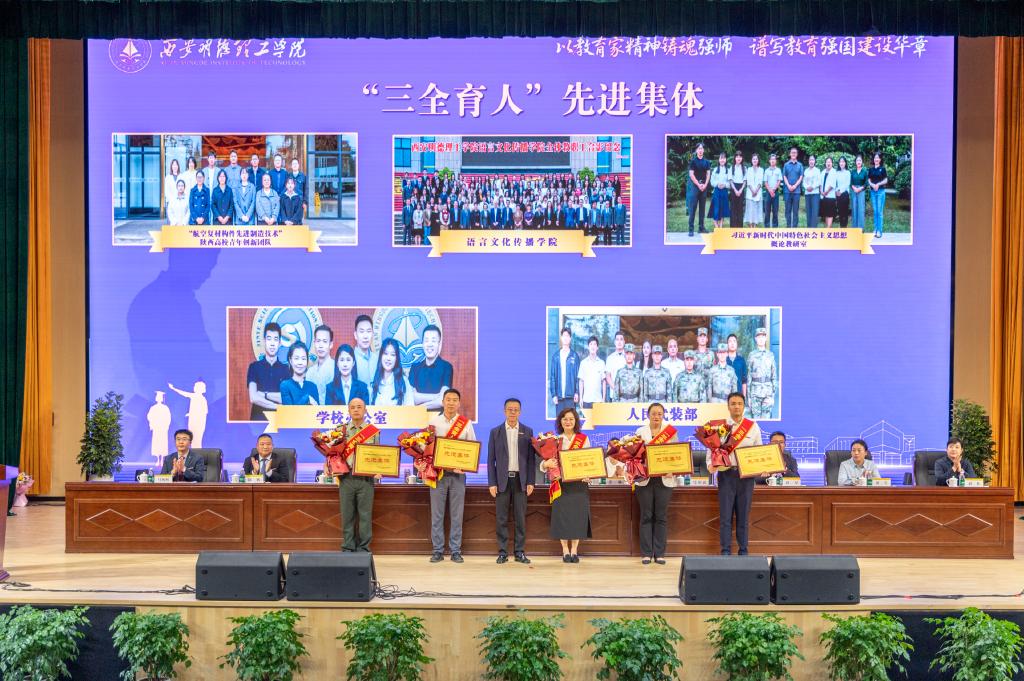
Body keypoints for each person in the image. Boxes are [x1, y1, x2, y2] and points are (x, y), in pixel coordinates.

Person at [615, 403, 677, 564]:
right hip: (644, 479)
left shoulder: (670, 433)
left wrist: (673, 470)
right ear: (648, 415)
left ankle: (660, 553)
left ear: (663, 415)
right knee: (646, 516)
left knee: (661, 517)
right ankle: (646, 553)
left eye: (659, 414)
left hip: (665, 479)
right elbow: (634, 455)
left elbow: (676, 454)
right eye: (653, 413)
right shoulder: (640, 432)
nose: (656, 416)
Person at [425, 389, 476, 563]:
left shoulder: (466, 424)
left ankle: (455, 551)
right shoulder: (433, 422)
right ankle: (437, 551)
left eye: (455, 400)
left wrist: (466, 466)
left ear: (459, 403)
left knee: (457, 515)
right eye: (448, 399)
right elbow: (426, 449)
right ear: (443, 402)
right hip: (437, 475)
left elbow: (472, 449)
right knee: (437, 515)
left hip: (458, 476)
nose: (451, 403)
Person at [709, 393, 762, 554]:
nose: (736, 406)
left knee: (743, 516)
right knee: (725, 516)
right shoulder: (720, 427)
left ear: (744, 406)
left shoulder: (752, 426)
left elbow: (759, 450)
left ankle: (743, 549)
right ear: (728, 406)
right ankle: (725, 550)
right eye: (733, 403)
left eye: (739, 403)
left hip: (746, 476)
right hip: (726, 475)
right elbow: (711, 449)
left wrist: (762, 466)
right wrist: (710, 464)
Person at [487, 397, 535, 564]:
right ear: (504, 411)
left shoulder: (528, 431)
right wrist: (492, 483)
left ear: (520, 412)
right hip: (502, 481)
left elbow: (531, 460)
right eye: (510, 409)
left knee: (520, 518)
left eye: (516, 410)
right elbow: (490, 460)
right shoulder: (495, 432)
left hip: (521, 481)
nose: (513, 412)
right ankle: (502, 552)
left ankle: (519, 552)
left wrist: (531, 481)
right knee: (501, 518)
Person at [541, 408, 592, 562]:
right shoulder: (554, 440)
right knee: (562, 517)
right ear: (560, 422)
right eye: (564, 419)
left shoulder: (583, 439)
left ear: (576, 421)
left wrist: (589, 474)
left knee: (577, 517)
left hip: (579, 484)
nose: (568, 422)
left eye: (571, 419)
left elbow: (590, 459)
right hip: (561, 484)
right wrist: (546, 464)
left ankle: (574, 550)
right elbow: (544, 463)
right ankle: (565, 550)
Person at [337, 398, 382, 552]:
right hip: (346, 478)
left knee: (365, 515)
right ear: (348, 411)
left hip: (366, 479)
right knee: (347, 515)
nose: (356, 410)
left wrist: (379, 469)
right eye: (353, 407)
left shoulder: (373, 431)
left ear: (365, 410)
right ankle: (348, 547)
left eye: (359, 407)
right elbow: (334, 454)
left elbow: (377, 453)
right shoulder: (340, 430)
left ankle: (364, 548)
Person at [247, 321, 290, 420]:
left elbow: (286, 399)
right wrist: (277, 406)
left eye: (275, 339)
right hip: (257, 420)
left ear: (280, 343)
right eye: (269, 339)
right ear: (264, 341)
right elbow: (253, 397)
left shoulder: (286, 369)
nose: (272, 343)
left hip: (279, 421)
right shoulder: (254, 367)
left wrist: (264, 395)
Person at [410, 324, 454, 411]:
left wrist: (418, 408)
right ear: (422, 344)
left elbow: (441, 401)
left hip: (438, 418)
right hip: (418, 418)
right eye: (426, 340)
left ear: (439, 344)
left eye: (433, 341)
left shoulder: (447, 367)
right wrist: (438, 396)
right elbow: (413, 398)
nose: (429, 344)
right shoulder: (415, 368)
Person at [370, 337, 413, 406]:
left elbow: (410, 408)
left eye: (392, 355)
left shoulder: (403, 381)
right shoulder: (374, 381)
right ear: (381, 356)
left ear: (396, 359)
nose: (388, 358)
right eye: (385, 353)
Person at [745, 327, 777, 419]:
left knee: (766, 420)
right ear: (755, 339)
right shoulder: (751, 355)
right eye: (759, 337)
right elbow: (749, 376)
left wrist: (773, 395)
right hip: (755, 393)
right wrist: (749, 397)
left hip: (768, 393)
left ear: (766, 338)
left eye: (763, 336)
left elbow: (774, 375)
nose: (761, 339)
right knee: (756, 421)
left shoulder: (770, 355)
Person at [549, 326, 580, 415]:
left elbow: (578, 376)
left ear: (570, 338)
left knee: (571, 420)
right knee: (560, 421)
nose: (566, 338)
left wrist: (577, 392)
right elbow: (553, 377)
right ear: (561, 338)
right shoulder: (556, 356)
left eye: (567, 336)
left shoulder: (574, 356)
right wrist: (554, 395)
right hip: (559, 397)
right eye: (564, 335)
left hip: (571, 397)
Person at [279, 342, 319, 406]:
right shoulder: (285, 385)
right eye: (296, 358)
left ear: (307, 361)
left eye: (303, 359)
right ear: (290, 361)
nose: (300, 363)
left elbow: (317, 411)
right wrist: (307, 398)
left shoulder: (313, 386)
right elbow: (289, 410)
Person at [306, 324, 335, 405]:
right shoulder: (310, 371)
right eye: (318, 341)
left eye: (325, 341)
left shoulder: (336, 369)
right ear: (314, 343)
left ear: (331, 344)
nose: (321, 346)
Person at [686, 143, 711, 236]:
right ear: (696, 150)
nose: (700, 150)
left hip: (703, 188)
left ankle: (701, 228)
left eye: (702, 148)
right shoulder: (693, 161)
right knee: (693, 208)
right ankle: (691, 229)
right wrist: (698, 184)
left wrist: (705, 185)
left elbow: (708, 174)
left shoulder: (707, 162)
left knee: (702, 209)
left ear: (703, 150)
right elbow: (691, 174)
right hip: (695, 188)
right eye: (699, 148)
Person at [578, 336, 606, 408]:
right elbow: (581, 381)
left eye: (594, 344)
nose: (593, 346)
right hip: (586, 400)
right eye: (591, 344)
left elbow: (604, 382)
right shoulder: (583, 363)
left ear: (597, 347)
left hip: (598, 400)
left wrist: (603, 399)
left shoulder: (601, 363)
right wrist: (581, 398)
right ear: (588, 347)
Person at [352, 315, 378, 384]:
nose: (365, 336)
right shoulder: (350, 360)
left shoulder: (377, 359)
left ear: (372, 334)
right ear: (355, 335)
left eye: (368, 331)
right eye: (362, 331)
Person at [868, 152, 889, 238]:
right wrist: (872, 185)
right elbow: (869, 180)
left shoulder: (882, 169)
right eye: (875, 158)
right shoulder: (871, 169)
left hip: (880, 192)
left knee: (879, 212)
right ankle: (875, 229)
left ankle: (879, 231)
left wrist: (878, 184)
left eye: (877, 158)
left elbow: (886, 180)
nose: (876, 159)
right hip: (873, 192)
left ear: (880, 159)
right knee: (875, 211)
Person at [782, 147, 804, 227]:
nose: (793, 154)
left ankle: (794, 227)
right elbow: (784, 176)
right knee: (787, 210)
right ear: (790, 154)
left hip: (796, 191)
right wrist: (788, 185)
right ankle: (788, 227)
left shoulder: (800, 165)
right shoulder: (786, 165)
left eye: (795, 152)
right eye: (792, 152)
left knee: (795, 211)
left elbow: (801, 177)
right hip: (787, 191)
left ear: (797, 154)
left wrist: (795, 186)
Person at [708, 152, 731, 230]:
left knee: (722, 209)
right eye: (721, 158)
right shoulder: (715, 170)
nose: (722, 160)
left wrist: (725, 185)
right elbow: (712, 181)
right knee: (716, 208)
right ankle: (716, 225)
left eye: (724, 158)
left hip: (724, 191)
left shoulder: (728, 170)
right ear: (719, 160)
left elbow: (730, 183)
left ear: (726, 160)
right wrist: (717, 184)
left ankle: (720, 226)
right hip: (717, 191)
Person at [743, 153, 765, 227]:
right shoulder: (748, 169)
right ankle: (750, 225)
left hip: (758, 192)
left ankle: (754, 225)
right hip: (750, 192)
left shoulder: (761, 170)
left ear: (758, 160)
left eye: (756, 159)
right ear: (751, 160)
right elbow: (748, 181)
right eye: (753, 159)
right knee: (750, 209)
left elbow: (760, 182)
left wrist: (756, 191)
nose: (755, 160)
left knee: (756, 210)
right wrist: (752, 191)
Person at [604, 331, 627, 400]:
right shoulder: (610, 358)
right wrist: (616, 389)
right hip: (614, 395)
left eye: (621, 339)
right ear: (614, 342)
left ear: (624, 342)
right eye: (617, 339)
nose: (619, 342)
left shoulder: (628, 357)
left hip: (626, 396)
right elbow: (608, 376)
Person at [763, 153, 782, 227]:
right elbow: (765, 182)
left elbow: (779, 181)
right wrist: (770, 190)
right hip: (768, 193)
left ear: (776, 161)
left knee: (775, 211)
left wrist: (774, 190)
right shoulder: (766, 170)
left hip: (775, 192)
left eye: (774, 159)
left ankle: (775, 226)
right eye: (771, 159)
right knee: (767, 211)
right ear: (769, 161)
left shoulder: (778, 170)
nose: (773, 160)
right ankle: (767, 226)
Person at [850, 154, 869, 230]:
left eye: (860, 160)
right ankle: (854, 228)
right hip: (854, 191)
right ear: (855, 162)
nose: (858, 162)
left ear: (862, 162)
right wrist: (854, 188)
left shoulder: (864, 171)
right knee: (854, 209)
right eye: (857, 160)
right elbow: (851, 182)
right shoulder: (853, 172)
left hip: (861, 191)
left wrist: (860, 188)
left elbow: (866, 182)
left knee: (861, 209)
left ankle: (860, 229)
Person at [728, 150, 746, 228]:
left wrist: (741, 190)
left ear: (742, 158)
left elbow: (745, 181)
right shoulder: (731, 168)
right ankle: (733, 227)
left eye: (740, 157)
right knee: (733, 208)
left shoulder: (744, 168)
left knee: (740, 208)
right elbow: (730, 180)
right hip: (733, 188)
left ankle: (739, 227)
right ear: (735, 158)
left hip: (741, 188)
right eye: (737, 156)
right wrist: (735, 190)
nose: (738, 158)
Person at [726, 334, 747, 398]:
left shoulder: (741, 360)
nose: (732, 343)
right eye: (730, 341)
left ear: (737, 344)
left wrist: (744, 397)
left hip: (738, 395)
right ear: (727, 344)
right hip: (725, 395)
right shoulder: (723, 360)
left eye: (734, 341)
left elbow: (744, 380)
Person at [803, 155, 822, 228]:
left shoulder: (817, 170)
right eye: (810, 160)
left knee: (814, 212)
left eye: (813, 160)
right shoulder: (806, 171)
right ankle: (809, 228)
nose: (811, 161)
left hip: (815, 193)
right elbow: (804, 182)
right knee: (808, 211)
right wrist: (807, 187)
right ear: (808, 161)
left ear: (815, 161)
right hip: (807, 193)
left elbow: (819, 181)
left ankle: (813, 228)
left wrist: (812, 187)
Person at [819, 156, 837, 229]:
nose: (828, 163)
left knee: (830, 213)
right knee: (826, 213)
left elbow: (833, 184)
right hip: (823, 196)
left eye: (830, 162)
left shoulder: (834, 172)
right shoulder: (823, 172)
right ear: (825, 163)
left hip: (830, 196)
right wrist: (821, 191)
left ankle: (828, 228)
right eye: (827, 162)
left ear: (832, 163)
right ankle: (828, 228)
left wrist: (826, 192)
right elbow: (820, 183)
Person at [835, 156, 852, 227]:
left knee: (845, 213)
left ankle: (844, 228)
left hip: (845, 194)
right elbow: (835, 184)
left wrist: (840, 191)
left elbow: (847, 184)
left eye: (843, 162)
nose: (841, 163)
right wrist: (837, 191)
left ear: (845, 163)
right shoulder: (837, 173)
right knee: (840, 212)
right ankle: (841, 227)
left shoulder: (848, 172)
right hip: (838, 194)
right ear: (839, 163)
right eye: (840, 162)